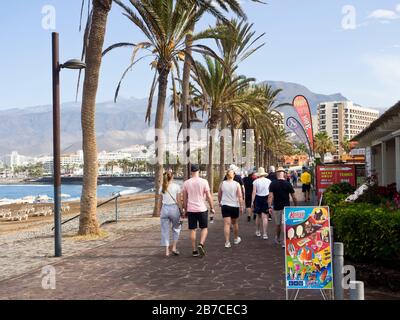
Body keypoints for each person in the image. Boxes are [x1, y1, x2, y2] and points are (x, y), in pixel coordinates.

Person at [183, 164, 215, 257]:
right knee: (204, 228)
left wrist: (185, 209)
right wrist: (212, 207)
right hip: (202, 208)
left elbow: (185, 198)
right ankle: (201, 244)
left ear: (191, 171)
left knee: (193, 230)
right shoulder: (204, 182)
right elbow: (208, 196)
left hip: (191, 209)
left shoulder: (186, 183)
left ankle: (194, 250)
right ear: (198, 171)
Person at [268, 167, 298, 247]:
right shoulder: (288, 184)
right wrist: (296, 205)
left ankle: (277, 238)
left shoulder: (273, 184)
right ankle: (285, 242)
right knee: (285, 224)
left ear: (276, 174)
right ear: (284, 174)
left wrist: (269, 206)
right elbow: (293, 196)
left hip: (277, 206)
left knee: (278, 224)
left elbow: (270, 196)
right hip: (287, 207)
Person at [218, 169, 244, 248]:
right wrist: (241, 206)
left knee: (226, 224)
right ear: (234, 176)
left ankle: (227, 242)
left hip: (225, 205)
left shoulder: (222, 183)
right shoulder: (237, 184)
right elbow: (240, 196)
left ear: (226, 175)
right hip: (234, 205)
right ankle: (236, 239)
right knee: (235, 223)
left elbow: (219, 194)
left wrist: (220, 202)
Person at [159, 171, 183, 257]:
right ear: (172, 177)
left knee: (165, 230)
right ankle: (174, 247)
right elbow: (179, 201)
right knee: (176, 228)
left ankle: (166, 251)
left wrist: (159, 211)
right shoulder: (176, 186)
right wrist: (181, 210)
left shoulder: (162, 187)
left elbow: (160, 201)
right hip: (174, 209)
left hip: (164, 209)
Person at [251, 167, 272, 240]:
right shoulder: (269, 181)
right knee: (265, 217)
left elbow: (254, 192)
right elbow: (270, 192)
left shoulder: (255, 181)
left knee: (258, 216)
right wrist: (270, 201)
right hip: (266, 198)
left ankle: (257, 231)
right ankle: (265, 234)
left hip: (258, 198)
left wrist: (252, 201)